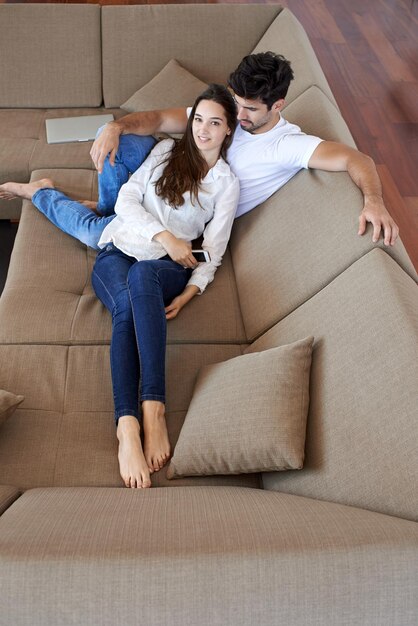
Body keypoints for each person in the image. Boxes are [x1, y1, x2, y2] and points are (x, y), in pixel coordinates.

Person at [1, 85, 239, 489]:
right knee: (125, 302)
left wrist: (189, 291)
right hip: (118, 248)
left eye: (214, 123)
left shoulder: (226, 184)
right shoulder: (166, 152)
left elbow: (213, 250)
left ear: (228, 131)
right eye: (198, 120)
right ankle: (127, 426)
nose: (203, 130)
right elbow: (127, 198)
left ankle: (153, 410)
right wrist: (164, 235)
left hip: (167, 269)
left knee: (144, 275)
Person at [0, 52, 399, 246]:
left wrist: (375, 201)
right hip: (162, 178)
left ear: (277, 105)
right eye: (235, 101)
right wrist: (113, 125)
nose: (236, 113)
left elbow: (355, 158)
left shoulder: (289, 146)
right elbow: (156, 121)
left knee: (96, 236)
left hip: (185, 214)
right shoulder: (224, 109)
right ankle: (104, 204)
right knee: (127, 143)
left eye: (249, 108)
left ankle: (40, 192)